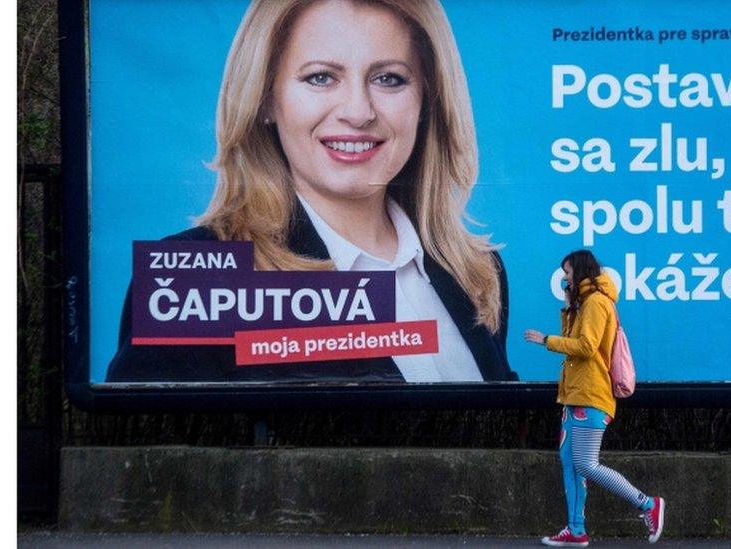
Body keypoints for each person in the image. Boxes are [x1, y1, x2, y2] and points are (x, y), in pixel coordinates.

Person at [106, 0, 515, 383]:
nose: (358, 112)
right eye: (321, 77)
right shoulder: (193, 281)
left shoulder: (474, 272)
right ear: (266, 97)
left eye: (389, 79)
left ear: (427, 99)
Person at [525, 250, 664, 546]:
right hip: (574, 395)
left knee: (587, 464)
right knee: (569, 462)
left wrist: (546, 340)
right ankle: (576, 530)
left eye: (567, 271)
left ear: (581, 270)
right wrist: (568, 309)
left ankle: (648, 504)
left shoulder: (598, 302)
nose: (565, 276)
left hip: (591, 395)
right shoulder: (585, 303)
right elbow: (577, 343)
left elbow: (586, 347)